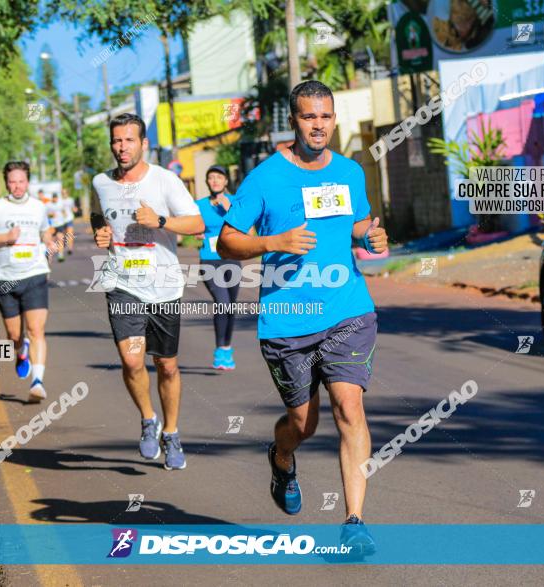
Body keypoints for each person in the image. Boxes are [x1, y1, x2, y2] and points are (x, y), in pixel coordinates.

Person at [217, 81, 388, 554]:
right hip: (288, 319)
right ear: (293, 120)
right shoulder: (265, 178)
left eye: (326, 117)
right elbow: (227, 241)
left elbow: (356, 223)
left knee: (349, 408)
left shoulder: (351, 172)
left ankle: (354, 521)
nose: (319, 126)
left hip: (348, 310)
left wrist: (371, 237)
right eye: (310, 117)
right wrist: (274, 242)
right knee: (303, 422)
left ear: (335, 119)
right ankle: (282, 455)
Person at [91, 113, 204, 470]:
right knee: (132, 360)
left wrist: (160, 221)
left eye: (128, 140)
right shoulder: (100, 182)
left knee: (166, 365)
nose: (121, 147)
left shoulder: (165, 180)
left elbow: (198, 224)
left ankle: (170, 432)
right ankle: (147, 419)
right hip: (122, 281)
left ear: (143, 144)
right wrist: (101, 233)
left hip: (164, 284)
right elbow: (98, 216)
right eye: (116, 141)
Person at [0, 161, 53, 402]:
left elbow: (46, 230)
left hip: (35, 274)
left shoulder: (38, 207)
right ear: (6, 183)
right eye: (12, 182)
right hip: (5, 278)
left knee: (37, 330)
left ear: (27, 182)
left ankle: (37, 382)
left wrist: (49, 241)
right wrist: (5, 238)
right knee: (14, 335)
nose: (17, 186)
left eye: (21, 181)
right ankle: (21, 351)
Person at [195, 165, 241, 370]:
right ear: (207, 182)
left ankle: (226, 349)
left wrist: (229, 210)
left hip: (232, 259)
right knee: (222, 303)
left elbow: (247, 229)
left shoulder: (234, 202)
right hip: (210, 260)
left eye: (218, 177)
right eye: (211, 177)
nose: (214, 181)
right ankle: (219, 349)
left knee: (230, 306)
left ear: (225, 181)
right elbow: (190, 225)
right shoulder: (198, 205)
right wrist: (194, 232)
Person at [60, 188, 77, 256]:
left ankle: (70, 249)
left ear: (67, 193)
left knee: (70, 234)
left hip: (69, 218)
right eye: (63, 193)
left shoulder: (70, 200)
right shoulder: (60, 201)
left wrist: (74, 209)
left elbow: (72, 208)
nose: (64, 194)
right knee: (64, 235)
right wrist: (62, 212)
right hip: (61, 220)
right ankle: (64, 245)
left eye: (65, 193)